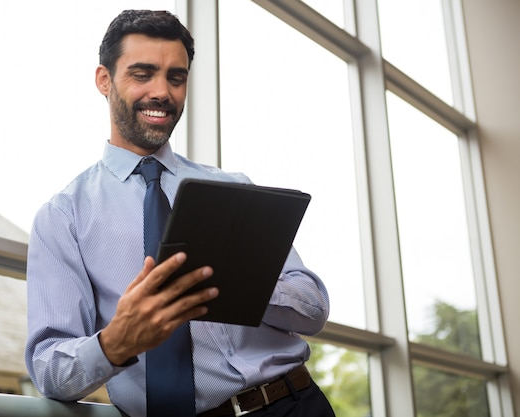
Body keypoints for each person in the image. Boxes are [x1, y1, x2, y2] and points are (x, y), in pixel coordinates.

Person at [25, 9, 334, 417]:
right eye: (142, 74)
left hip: (294, 405)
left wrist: (239, 283)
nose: (162, 92)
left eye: (176, 77)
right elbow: (49, 370)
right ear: (104, 80)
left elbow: (314, 310)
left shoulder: (235, 187)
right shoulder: (63, 218)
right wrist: (117, 341)